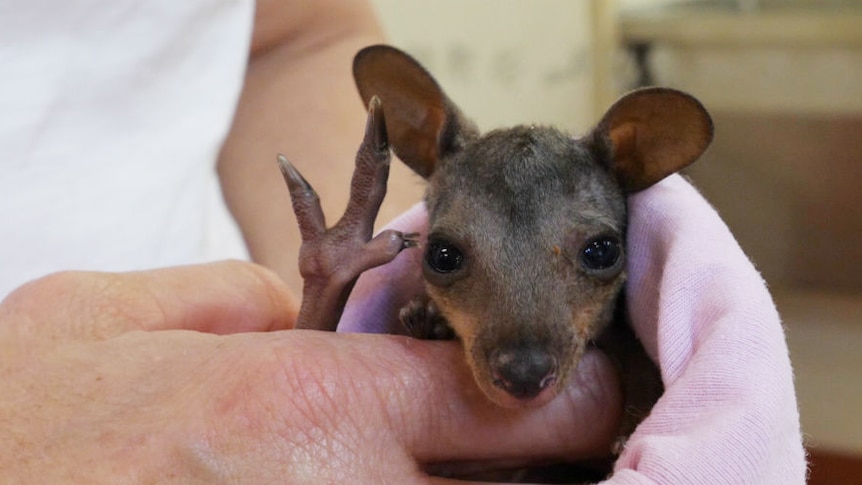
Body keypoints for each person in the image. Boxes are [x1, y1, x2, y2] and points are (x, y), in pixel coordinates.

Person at [0, 0, 806, 483]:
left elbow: (299, 31)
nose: (523, 351)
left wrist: (318, 381)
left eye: (593, 256)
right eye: (451, 260)